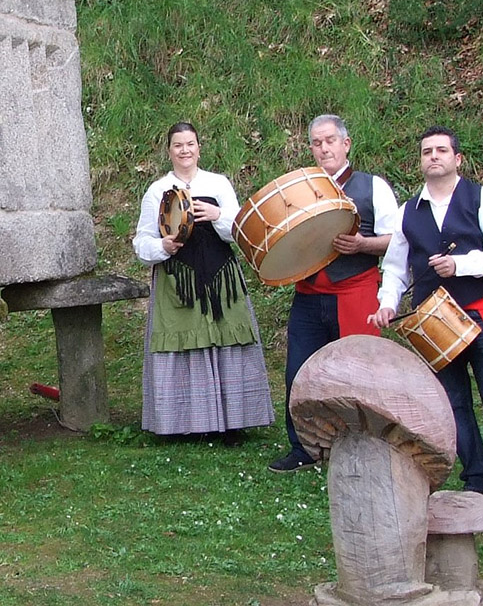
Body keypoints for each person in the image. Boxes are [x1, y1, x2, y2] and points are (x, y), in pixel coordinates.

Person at [369, 125, 483, 522]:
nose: (434, 156)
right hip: (432, 320)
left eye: (441, 150)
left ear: (457, 159)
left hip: (480, 311)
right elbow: (396, 269)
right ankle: (476, 481)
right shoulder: (408, 211)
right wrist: (387, 304)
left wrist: (461, 265)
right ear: (421, 161)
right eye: (427, 151)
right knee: (453, 404)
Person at [268, 115, 398, 473]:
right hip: (309, 295)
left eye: (330, 141)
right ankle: (304, 447)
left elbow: (397, 241)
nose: (324, 148)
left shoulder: (373, 187)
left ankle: (368, 446)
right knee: (299, 373)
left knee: (360, 373)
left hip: (356, 291)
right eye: (316, 142)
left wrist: (363, 245)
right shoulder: (302, 189)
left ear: (346, 144)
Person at [133, 122, 274, 443]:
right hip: (177, 281)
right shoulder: (157, 190)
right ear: (169, 151)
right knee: (182, 345)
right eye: (178, 145)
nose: (185, 150)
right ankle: (183, 423)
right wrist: (163, 246)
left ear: (199, 148)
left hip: (221, 278)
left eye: (190, 144)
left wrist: (217, 214)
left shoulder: (218, 183)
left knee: (228, 342)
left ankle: (233, 423)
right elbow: (142, 242)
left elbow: (239, 231)